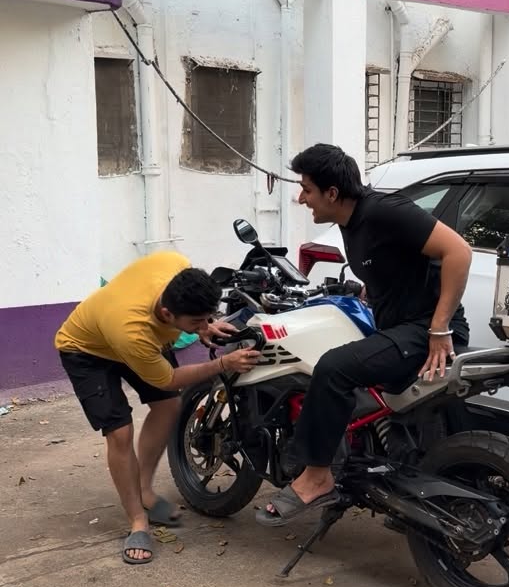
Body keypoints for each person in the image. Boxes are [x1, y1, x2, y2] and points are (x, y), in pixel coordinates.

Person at [256, 143, 472, 527]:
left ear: (332, 193)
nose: (301, 198)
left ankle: (317, 477)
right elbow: (396, 263)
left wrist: (439, 328)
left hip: (426, 331)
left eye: (306, 189)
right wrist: (367, 291)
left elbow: (459, 251)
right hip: (402, 326)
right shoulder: (351, 223)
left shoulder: (384, 210)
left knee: (332, 369)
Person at [54, 252, 261, 565]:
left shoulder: (173, 263)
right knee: (120, 433)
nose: (204, 326)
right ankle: (138, 520)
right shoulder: (133, 331)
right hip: (86, 350)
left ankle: (145, 490)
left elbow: (169, 381)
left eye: (208, 317)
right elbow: (169, 379)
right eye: (196, 322)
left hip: (130, 337)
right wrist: (223, 363)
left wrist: (204, 325)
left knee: (168, 407)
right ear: (166, 313)